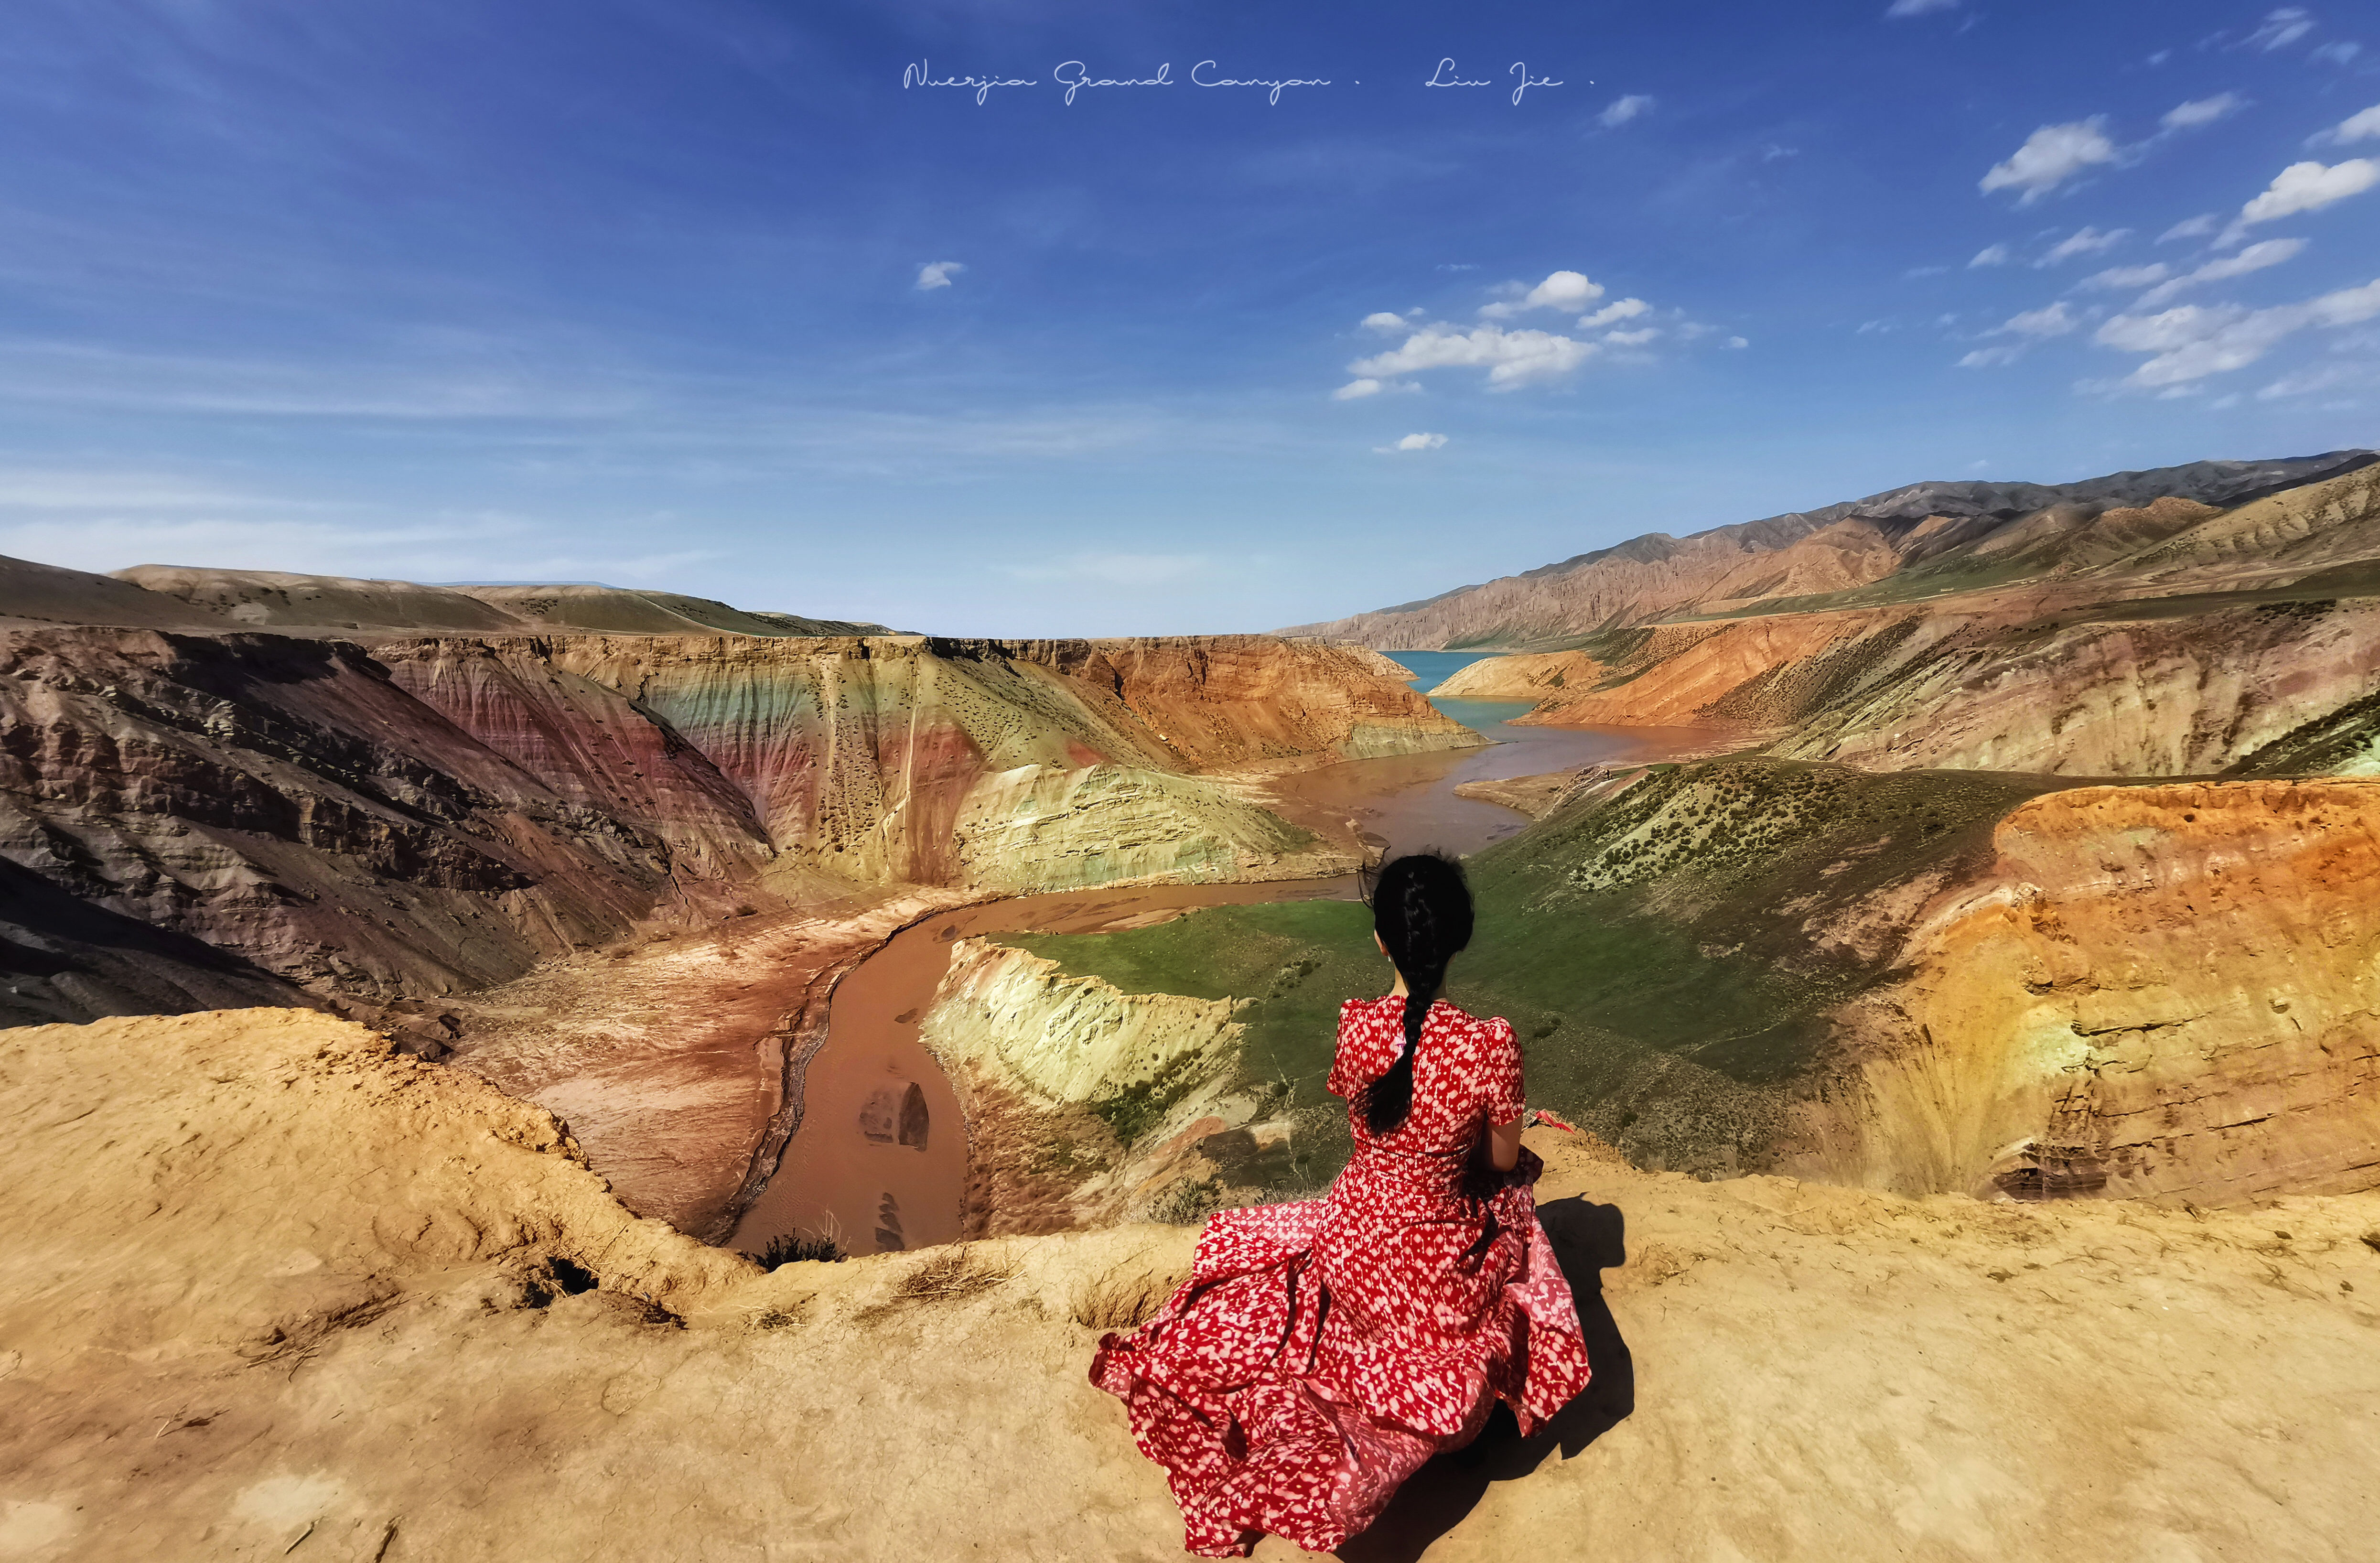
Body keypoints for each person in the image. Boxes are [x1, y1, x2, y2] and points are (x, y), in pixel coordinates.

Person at [1089, 852, 1591, 1557]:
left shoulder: (1355, 1025)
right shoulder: (1490, 1043)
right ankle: (1494, 1398)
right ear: (1461, 936)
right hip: (1430, 1265)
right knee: (1515, 1205)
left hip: (1350, 1241)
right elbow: (1500, 1162)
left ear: (1381, 940)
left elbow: (1372, 1120)